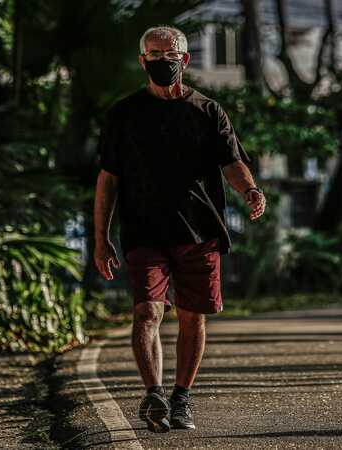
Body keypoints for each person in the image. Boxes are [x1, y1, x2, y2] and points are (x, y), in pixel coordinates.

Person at [93, 26, 266, 433]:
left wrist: (251, 190)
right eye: (152, 55)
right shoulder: (124, 115)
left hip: (199, 231)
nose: (160, 61)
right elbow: (107, 180)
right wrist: (100, 239)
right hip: (143, 232)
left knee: (193, 317)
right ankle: (153, 392)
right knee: (147, 312)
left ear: (184, 60)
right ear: (142, 61)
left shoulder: (207, 111)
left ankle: (181, 396)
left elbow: (232, 161)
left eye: (168, 55)